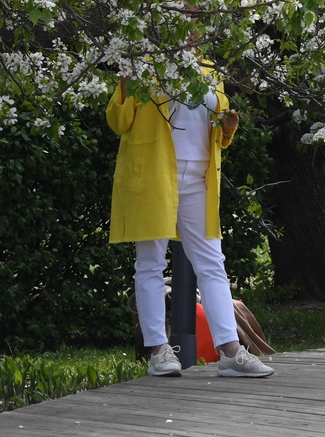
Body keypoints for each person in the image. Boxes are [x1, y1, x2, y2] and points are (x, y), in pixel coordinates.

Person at [107, 66, 275, 378]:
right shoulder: (144, 65)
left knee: (212, 262)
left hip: (200, 176)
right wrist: (126, 89)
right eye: (188, 14)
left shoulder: (210, 70)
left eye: (198, 15)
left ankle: (231, 351)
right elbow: (119, 123)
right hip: (154, 173)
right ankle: (158, 350)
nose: (193, 23)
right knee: (150, 262)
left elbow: (217, 131)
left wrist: (227, 128)